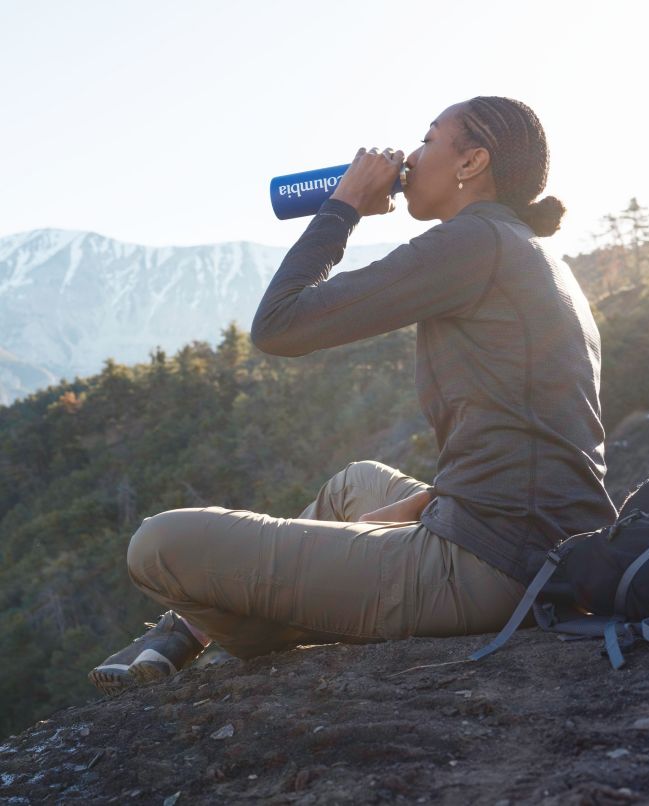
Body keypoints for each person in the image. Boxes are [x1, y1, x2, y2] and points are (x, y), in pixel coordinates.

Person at [88, 96, 617, 696]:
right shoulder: (517, 244)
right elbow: (528, 439)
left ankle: (247, 625)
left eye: (427, 139)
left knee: (159, 545)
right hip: (544, 544)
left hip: (493, 568)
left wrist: (343, 206)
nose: (409, 156)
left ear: (471, 162)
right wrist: (424, 507)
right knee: (356, 483)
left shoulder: (473, 242)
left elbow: (280, 326)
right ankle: (187, 630)